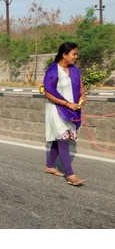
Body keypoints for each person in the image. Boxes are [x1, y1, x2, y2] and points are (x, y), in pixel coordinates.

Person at [43, 41, 87, 187]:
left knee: (59, 137)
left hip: (72, 109)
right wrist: (67, 103)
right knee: (63, 139)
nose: (76, 56)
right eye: (74, 54)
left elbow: (80, 85)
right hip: (57, 109)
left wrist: (83, 96)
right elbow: (48, 93)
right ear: (64, 55)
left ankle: (50, 166)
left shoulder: (74, 70)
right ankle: (70, 175)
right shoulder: (52, 71)